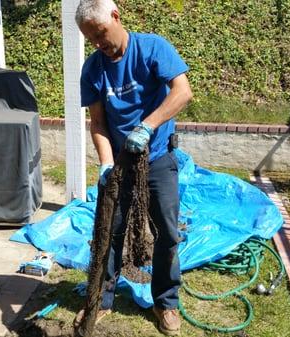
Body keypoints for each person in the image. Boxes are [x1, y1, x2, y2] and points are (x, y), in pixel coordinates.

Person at [73, 0, 193, 335]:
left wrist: (148, 126)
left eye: (100, 34)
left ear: (115, 17)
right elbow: (97, 123)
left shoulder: (152, 48)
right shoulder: (93, 68)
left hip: (156, 160)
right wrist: (106, 162)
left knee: (167, 233)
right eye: (91, 39)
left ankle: (165, 303)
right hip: (120, 166)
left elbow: (183, 92)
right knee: (109, 232)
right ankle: (101, 300)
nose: (99, 44)